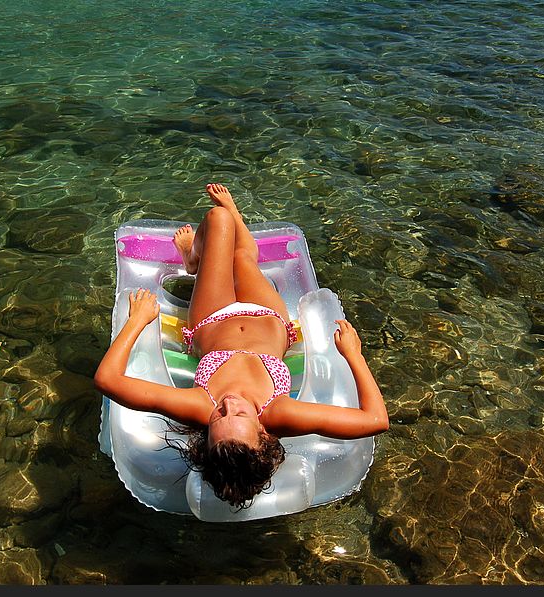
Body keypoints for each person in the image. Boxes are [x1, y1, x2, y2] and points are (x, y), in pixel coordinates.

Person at [94, 183, 389, 508]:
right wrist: (354, 356)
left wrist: (136, 322)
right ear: (264, 434)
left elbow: (107, 380)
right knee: (243, 255)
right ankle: (231, 218)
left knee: (218, 219)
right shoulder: (281, 413)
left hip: (212, 316)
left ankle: (194, 259)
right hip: (268, 317)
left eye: (221, 416)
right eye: (241, 415)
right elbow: (375, 420)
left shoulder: (200, 406)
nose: (229, 404)